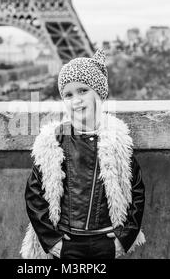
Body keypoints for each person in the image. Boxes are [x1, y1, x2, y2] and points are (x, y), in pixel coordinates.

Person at [20, 50, 145, 259]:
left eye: (82, 91)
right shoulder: (53, 141)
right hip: (68, 242)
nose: (76, 100)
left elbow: (136, 190)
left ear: (98, 94)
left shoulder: (117, 140)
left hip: (106, 241)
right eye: (68, 95)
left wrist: (123, 239)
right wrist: (52, 242)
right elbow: (35, 195)